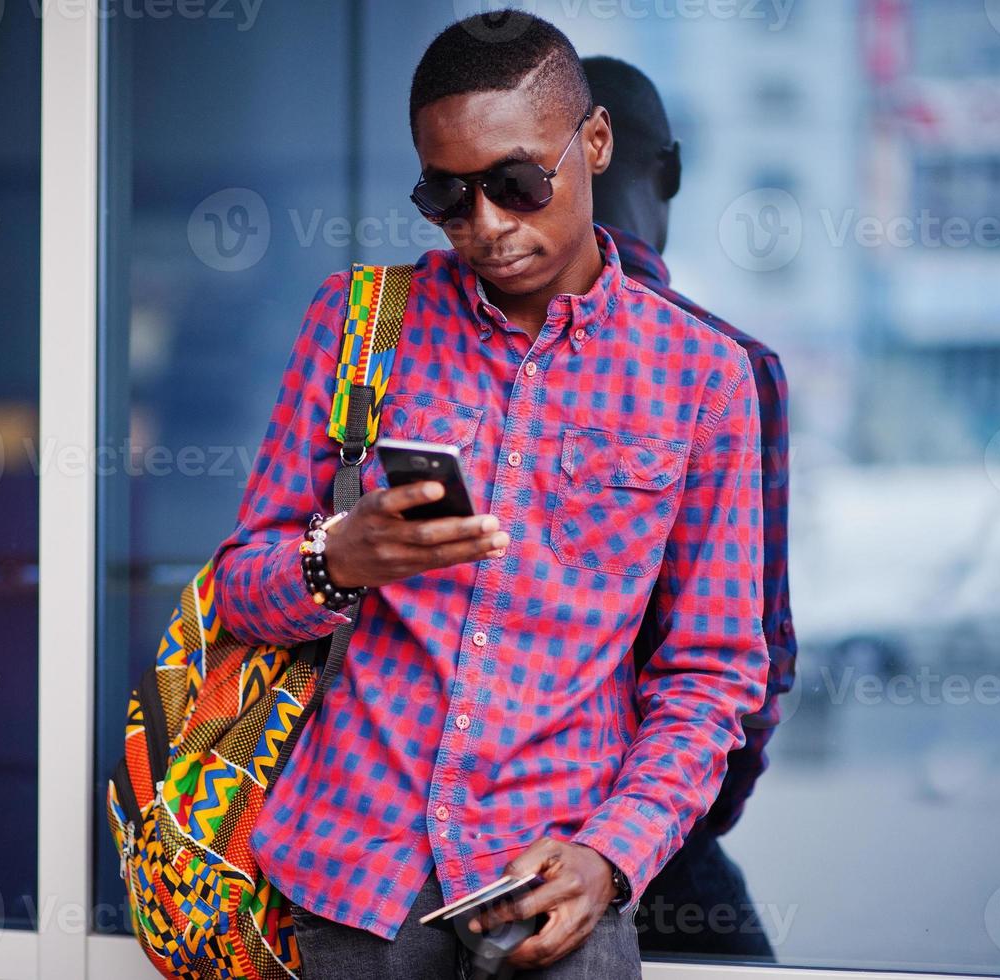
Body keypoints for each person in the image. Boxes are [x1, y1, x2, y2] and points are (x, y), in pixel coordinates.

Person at [210, 13, 769, 978]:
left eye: (515, 184)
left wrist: (614, 855)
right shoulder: (356, 327)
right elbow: (238, 587)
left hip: (554, 883)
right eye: (447, 195)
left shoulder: (703, 378)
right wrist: (333, 561)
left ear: (592, 144)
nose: (488, 227)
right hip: (351, 881)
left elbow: (710, 676)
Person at [582, 55, 797, 961]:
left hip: (463, 835)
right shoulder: (730, 366)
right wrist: (682, 820)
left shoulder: (440, 354)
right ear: (664, 172)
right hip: (651, 825)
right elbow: (758, 659)